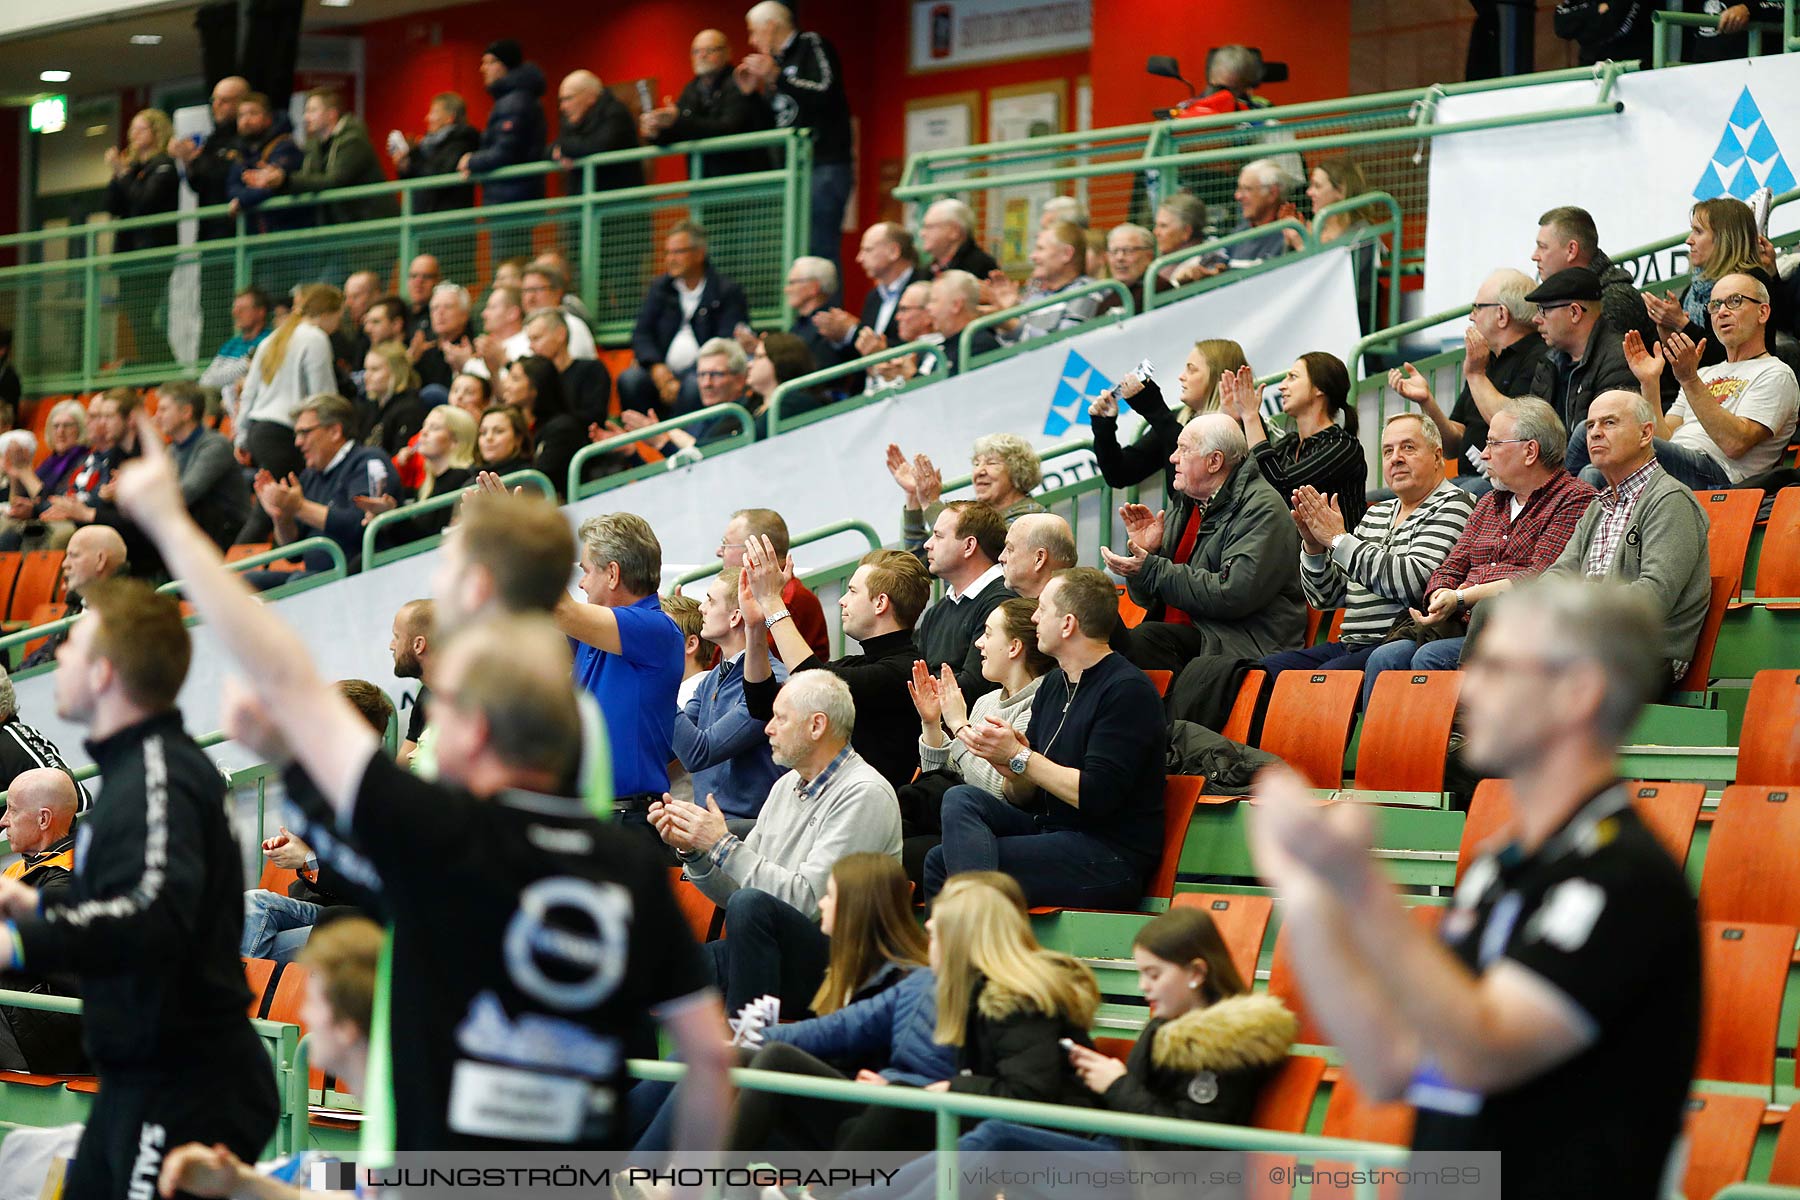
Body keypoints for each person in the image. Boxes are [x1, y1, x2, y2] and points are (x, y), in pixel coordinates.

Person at [111, 428, 736, 1152]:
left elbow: (285, 671)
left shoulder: (448, 835)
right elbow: (712, 1055)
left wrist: (169, 527)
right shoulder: (625, 876)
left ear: (471, 740)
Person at [1250, 577, 1699, 1199]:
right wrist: (1306, 896)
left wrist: (1361, 887)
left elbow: (1479, 1054)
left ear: (1577, 692)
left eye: (1498, 667)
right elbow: (1389, 1066)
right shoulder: (1500, 866)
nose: (1469, 686)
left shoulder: (1622, 878)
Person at [0, 580, 278, 1192]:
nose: (54, 661)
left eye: (69, 649)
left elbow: (152, 920)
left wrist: (20, 941)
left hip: (186, 1080)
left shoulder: (160, 776)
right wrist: (29, 902)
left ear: (103, 673)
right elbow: (120, 904)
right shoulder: (134, 774)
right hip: (140, 1074)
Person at [874, 905, 1298, 1200]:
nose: (1143, 988)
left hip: (1162, 1181)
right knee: (976, 1128)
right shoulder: (1166, 1026)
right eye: (1140, 974)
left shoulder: (1231, 1046)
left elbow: (1189, 1147)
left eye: (1153, 974)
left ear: (1196, 972)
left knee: (997, 1138)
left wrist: (1116, 1084)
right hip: (1125, 1161)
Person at [629, 854, 940, 1159]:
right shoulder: (855, 971)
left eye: (830, 896)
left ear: (855, 907)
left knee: (725, 1065)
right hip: (818, 1102)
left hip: (853, 1120)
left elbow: (841, 1040)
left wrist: (747, 1043)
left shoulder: (905, 981)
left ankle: (629, 1171)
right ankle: (610, 1155)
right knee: (693, 1057)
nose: (821, 905)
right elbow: (824, 1034)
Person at [652, 667, 902, 1012]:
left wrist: (722, 844)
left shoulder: (864, 793)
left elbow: (805, 904)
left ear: (817, 726)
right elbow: (735, 893)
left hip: (842, 964)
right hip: (774, 947)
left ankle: (748, 1048)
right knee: (651, 974)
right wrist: (694, 850)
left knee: (750, 907)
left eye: (780, 719)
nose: (767, 728)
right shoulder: (786, 785)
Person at [923, 567, 1165, 908]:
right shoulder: (1054, 684)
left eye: (1042, 610)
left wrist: (1021, 758)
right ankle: (975, 939)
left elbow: (1097, 796)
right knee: (960, 802)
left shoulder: (1126, 690)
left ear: (1067, 625)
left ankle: (975, 934)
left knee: (945, 865)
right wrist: (1010, 767)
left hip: (1108, 854)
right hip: (1053, 830)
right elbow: (1024, 795)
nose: (1034, 617)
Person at [1361, 398, 1597, 700]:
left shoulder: (1574, 499)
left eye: (1494, 444)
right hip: (1461, 627)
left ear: (1530, 451)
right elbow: (1450, 567)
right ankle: (1380, 748)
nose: (1484, 454)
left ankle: (1450, 746)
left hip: (1520, 634)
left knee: (1429, 659)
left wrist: (1459, 597)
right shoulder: (1488, 502)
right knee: (1385, 658)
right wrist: (1438, 597)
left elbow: (1538, 578)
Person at [158, 918, 383, 1200]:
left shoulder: (418, 1116)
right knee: (307, 1169)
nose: (304, 1013)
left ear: (346, 1027)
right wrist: (242, 1182)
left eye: (313, 1002)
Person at [1267, 414, 1475, 680]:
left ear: (1437, 456)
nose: (1395, 458)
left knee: (1324, 680)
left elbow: (1416, 582)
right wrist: (1313, 547)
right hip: (1350, 644)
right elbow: (1326, 597)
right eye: (1388, 451)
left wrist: (1340, 540)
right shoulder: (1376, 513)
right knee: (1262, 671)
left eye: (1408, 447)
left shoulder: (1456, 504)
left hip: (1397, 642)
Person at [1109, 413, 1305, 670]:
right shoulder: (1186, 503)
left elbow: (1232, 594)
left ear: (1214, 461)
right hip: (1191, 638)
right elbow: (1149, 599)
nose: (1172, 458)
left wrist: (1153, 569)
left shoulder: (1261, 508)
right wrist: (1148, 554)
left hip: (1238, 642)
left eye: (1184, 450)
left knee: (1143, 642)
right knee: (1102, 634)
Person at [1546, 389, 1711, 687]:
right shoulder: (1599, 505)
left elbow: (1654, 596)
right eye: (1591, 425)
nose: (1595, 433)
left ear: (1646, 434)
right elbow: (1559, 573)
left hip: (1647, 653)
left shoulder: (1670, 500)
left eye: (1609, 423)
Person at [742, 541, 927, 792]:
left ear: (880, 603)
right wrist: (754, 628)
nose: (842, 600)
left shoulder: (906, 672)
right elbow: (762, 703)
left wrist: (773, 601)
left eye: (852, 591)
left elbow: (812, 677)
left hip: (866, 813)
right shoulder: (859, 663)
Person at [1593, 276, 1800, 491]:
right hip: (1675, 465)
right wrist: (1649, 382)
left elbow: (1735, 444)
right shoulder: (1705, 373)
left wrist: (1690, 380)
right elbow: (1665, 437)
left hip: (1719, 478)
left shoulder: (1776, 373)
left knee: (1613, 442)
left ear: (1763, 312)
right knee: (1591, 455)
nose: (1722, 312)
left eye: (1735, 301)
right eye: (1715, 305)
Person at [240, 679, 395, 963]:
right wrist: (296, 848)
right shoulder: (325, 782)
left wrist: (308, 860)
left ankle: (234, 1005)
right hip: (316, 910)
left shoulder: (380, 795)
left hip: (352, 922)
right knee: (244, 917)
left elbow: (372, 882)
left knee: (253, 917)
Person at [556, 512, 684, 848]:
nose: (581, 584)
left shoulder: (656, 628)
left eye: (585, 571)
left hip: (629, 823)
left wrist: (519, 539)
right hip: (591, 818)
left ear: (612, 574)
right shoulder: (589, 633)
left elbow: (561, 610)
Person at [903, 598, 1052, 880]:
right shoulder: (987, 700)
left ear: (1014, 647)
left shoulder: (1038, 703)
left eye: (988, 633)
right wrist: (932, 722)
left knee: (896, 858)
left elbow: (998, 789)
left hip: (999, 829)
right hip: (958, 823)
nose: (978, 644)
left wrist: (959, 727)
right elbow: (942, 777)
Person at [1389, 268, 1550, 494]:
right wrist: (1426, 401)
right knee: (1386, 497)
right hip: (1467, 476)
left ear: (1502, 315)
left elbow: (1517, 426)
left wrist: (1475, 375)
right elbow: (1452, 446)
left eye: (1477, 307)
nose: (1472, 316)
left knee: (1433, 499)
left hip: (1502, 482)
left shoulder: (1538, 357)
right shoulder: (1486, 358)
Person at [738, 2, 854, 264]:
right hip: (790, 171)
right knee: (792, 251)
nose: (751, 40)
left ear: (771, 26)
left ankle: (825, 307)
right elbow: (775, 122)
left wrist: (777, 77)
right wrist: (750, 97)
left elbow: (826, 90)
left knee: (818, 249)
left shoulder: (810, 44)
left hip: (824, 164)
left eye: (754, 31)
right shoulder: (773, 65)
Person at [673, 567, 788, 825]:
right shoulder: (713, 678)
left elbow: (698, 753)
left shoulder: (774, 683)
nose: (701, 607)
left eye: (710, 600)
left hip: (750, 831)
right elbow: (670, 746)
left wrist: (658, 680)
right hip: (712, 827)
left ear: (736, 616)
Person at [246, 393, 396, 576]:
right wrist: (281, 516)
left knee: (296, 582)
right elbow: (294, 555)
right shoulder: (310, 475)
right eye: (296, 434)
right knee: (248, 581)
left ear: (334, 431)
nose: (297, 442)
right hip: (317, 576)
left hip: (356, 575)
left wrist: (300, 507)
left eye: (305, 432)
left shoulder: (367, 461)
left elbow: (361, 525)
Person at [0, 769, 86, 1075]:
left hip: (60, 1031)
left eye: (12, 810)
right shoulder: (28, 868)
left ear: (43, 819)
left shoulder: (71, 879)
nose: (3, 821)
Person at [618, 222, 751, 417]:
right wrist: (657, 368)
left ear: (699, 254)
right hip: (661, 372)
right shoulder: (660, 288)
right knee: (630, 379)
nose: (670, 259)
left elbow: (726, 342)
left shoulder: (726, 292)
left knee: (692, 385)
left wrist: (686, 375)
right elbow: (641, 334)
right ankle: (640, 444)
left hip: (702, 372)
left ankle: (684, 441)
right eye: (668, 253)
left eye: (678, 252)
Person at [1226, 353, 1368, 531]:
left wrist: (1251, 416)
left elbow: (1281, 483)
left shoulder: (1344, 446)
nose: (1282, 386)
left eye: (1292, 377)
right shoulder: (1290, 443)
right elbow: (1252, 475)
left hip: (1334, 556)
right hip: (1292, 551)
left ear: (1319, 388)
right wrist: (1237, 419)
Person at [1092, 338, 1247, 492]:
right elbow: (1119, 474)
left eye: (1191, 370)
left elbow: (1203, 473)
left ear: (1218, 377)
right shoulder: (1179, 419)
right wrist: (1104, 427)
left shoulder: (1240, 425)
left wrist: (1152, 407)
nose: (1181, 376)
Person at [1642, 198, 1780, 368]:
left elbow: (1731, 354)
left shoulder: (1753, 282)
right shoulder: (1691, 293)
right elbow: (1682, 371)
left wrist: (1682, 324)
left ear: (1724, 238)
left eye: (1698, 232)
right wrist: (1667, 336)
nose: (1689, 240)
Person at [242, 88, 396, 228]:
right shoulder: (313, 144)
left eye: (312, 111)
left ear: (331, 114)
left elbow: (333, 181)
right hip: (339, 229)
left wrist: (285, 180)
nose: (305, 117)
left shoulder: (353, 140)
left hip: (370, 226)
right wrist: (276, 179)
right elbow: (307, 179)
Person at [1531, 205, 1660, 370]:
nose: (1535, 256)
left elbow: (1606, 372)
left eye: (1543, 247)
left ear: (1571, 250)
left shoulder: (1615, 300)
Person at [236, 284, 343, 479]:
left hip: (258, 432)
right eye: (339, 318)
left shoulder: (272, 339)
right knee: (278, 504)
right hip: (285, 435)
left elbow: (249, 393)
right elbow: (323, 397)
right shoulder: (316, 338)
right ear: (330, 313)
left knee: (274, 500)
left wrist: (241, 436)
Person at [891, 433, 1047, 558]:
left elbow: (973, 557)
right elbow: (921, 562)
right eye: (976, 463)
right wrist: (913, 496)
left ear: (1018, 471)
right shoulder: (974, 511)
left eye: (991, 463)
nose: (979, 471)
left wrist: (930, 502)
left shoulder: (1031, 517)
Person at [640, 28, 769, 178]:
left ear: (727, 53)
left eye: (710, 50)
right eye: (696, 51)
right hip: (703, 185)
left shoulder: (739, 82)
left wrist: (678, 120)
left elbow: (726, 129)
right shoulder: (692, 89)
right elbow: (680, 132)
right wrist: (656, 131)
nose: (702, 56)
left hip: (740, 182)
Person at [916, 501, 1014, 698]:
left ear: (969, 545)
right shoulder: (937, 612)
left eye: (938, 536)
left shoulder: (1001, 601)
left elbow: (974, 687)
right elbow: (916, 681)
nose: (928, 544)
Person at [1524, 266, 1639, 433]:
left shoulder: (1619, 359)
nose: (1536, 319)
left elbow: (1605, 438)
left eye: (1543, 310)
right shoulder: (1549, 362)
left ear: (1574, 312)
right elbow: (1531, 428)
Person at [105, 108, 180, 364]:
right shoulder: (133, 167)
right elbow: (113, 205)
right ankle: (157, 363)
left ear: (156, 132)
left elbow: (145, 201)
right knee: (135, 315)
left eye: (141, 128)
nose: (134, 134)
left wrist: (124, 174)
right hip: (128, 251)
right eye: (132, 129)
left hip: (152, 251)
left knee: (142, 313)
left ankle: (165, 365)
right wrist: (118, 174)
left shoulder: (164, 166)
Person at [460, 40, 548, 242]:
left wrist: (472, 161)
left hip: (510, 200)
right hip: (513, 197)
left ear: (504, 65)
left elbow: (507, 150)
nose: (483, 69)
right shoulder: (515, 99)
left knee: (508, 265)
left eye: (489, 62)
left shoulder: (514, 102)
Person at [357, 405, 477, 548]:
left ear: (455, 441)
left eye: (434, 428)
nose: (423, 432)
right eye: (424, 426)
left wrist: (391, 515)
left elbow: (428, 539)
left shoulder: (460, 479)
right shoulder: (431, 481)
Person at [719, 506, 831, 660]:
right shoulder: (756, 593)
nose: (719, 551)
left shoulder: (791, 602)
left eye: (726, 544)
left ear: (756, 552)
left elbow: (745, 663)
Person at [20, 523, 130, 672]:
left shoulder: (128, 613)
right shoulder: (78, 605)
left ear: (100, 560)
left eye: (73, 555)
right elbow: (48, 653)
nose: (65, 564)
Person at [1170, 160, 1296, 285]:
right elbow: (1217, 261)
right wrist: (1206, 273)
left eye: (1246, 189)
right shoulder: (1241, 231)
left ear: (1272, 193)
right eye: (1239, 188)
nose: (1238, 196)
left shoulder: (1289, 236)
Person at [813, 223, 923, 353]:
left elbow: (917, 345)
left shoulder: (922, 286)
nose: (859, 258)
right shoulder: (874, 296)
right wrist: (841, 336)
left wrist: (852, 331)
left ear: (894, 252)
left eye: (868, 250)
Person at [166, 76, 248, 240]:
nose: (216, 106)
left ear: (241, 102)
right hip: (209, 231)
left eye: (224, 101)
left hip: (238, 230)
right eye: (214, 100)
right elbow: (199, 184)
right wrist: (187, 161)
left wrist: (194, 160)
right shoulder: (212, 139)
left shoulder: (247, 138)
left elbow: (223, 176)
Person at [988, 222, 1098, 343]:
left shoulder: (1086, 291)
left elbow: (1065, 346)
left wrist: (1011, 325)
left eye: (1040, 249)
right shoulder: (1036, 295)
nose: (1032, 256)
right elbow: (1008, 350)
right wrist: (1009, 310)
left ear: (1067, 254)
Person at [499, 354, 588, 497]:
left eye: (514, 379)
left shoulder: (562, 429)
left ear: (535, 388)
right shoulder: (513, 423)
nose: (506, 384)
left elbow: (540, 481)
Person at [225, 92, 309, 242]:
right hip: (256, 238)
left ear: (268, 118)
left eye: (253, 113)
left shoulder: (285, 146)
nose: (246, 120)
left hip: (290, 233)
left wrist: (242, 201)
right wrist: (243, 197)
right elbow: (232, 188)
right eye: (241, 115)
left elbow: (271, 186)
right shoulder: (240, 152)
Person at [392, 91, 480, 215]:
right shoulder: (427, 146)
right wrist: (405, 166)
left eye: (434, 112)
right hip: (424, 223)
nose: (427, 118)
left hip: (449, 225)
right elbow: (420, 178)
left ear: (450, 117)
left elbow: (436, 176)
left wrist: (415, 154)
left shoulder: (462, 141)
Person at [552, 70, 640, 192]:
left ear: (590, 96)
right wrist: (560, 152)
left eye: (568, 98)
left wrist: (564, 149)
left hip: (618, 202)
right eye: (561, 100)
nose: (563, 106)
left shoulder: (615, 113)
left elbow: (597, 146)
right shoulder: (571, 120)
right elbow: (551, 148)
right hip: (583, 202)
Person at [524, 306, 613, 424]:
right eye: (530, 340)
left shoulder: (591, 371)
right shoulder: (535, 378)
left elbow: (594, 417)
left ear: (561, 334)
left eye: (536, 338)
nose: (531, 346)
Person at [358, 339, 427, 460]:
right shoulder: (371, 405)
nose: (366, 375)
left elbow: (400, 458)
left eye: (375, 369)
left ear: (396, 371)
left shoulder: (410, 409)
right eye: (366, 369)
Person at [924, 270, 1000, 377]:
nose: (928, 308)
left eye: (934, 301)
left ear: (956, 305)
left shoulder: (977, 346)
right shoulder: (942, 344)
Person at [519, 263, 600, 360]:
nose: (530, 297)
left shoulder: (572, 325)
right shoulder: (524, 329)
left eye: (537, 289)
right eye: (526, 291)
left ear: (557, 292)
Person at [411, 281, 477, 393]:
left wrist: (466, 365)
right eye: (435, 308)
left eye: (448, 307)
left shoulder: (474, 349)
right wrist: (411, 361)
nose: (440, 313)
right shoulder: (424, 350)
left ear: (464, 315)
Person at [921, 198, 1000, 280]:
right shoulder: (928, 270)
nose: (922, 233)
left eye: (929, 227)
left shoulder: (980, 267)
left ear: (955, 231)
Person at [1096, 222, 1156, 315]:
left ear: (1149, 256)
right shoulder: (1107, 300)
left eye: (1128, 251)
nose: (1119, 258)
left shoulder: (1158, 289)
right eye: (1114, 251)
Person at [476, 404, 534, 476]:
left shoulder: (529, 477)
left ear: (518, 438)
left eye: (499, 431)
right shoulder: (470, 478)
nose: (488, 437)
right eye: (483, 432)